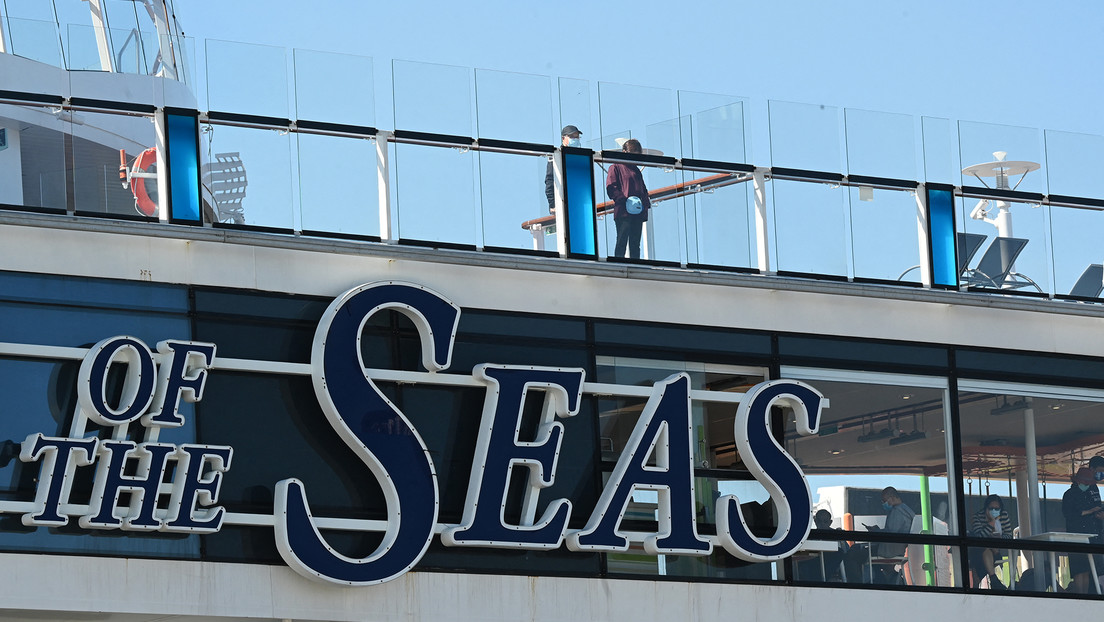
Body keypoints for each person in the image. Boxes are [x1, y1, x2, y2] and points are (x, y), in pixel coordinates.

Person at [857, 487, 916, 584]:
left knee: (856, 554)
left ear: (892, 498)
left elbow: (890, 533)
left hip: (889, 550)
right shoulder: (907, 510)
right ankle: (883, 579)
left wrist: (875, 531)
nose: (883, 504)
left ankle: (858, 583)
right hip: (898, 549)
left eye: (884, 501)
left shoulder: (897, 511)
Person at [605, 138, 651, 259]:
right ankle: (619, 263)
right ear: (625, 152)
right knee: (622, 239)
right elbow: (611, 187)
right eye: (633, 154)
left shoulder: (636, 170)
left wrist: (644, 204)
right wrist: (623, 200)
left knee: (635, 243)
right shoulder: (615, 167)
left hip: (637, 210)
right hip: (623, 211)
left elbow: (643, 189)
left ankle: (635, 265)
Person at [1062, 467, 1104, 593]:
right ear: (1078, 482)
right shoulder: (1069, 495)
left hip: (1092, 536)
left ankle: (1086, 595)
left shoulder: (1090, 494)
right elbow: (1069, 514)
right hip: (1077, 537)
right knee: (1079, 570)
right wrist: (1090, 511)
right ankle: (1080, 595)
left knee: (1090, 570)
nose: (1087, 486)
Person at [968, 494, 1014, 589]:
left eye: (997, 509)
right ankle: (993, 579)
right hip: (979, 550)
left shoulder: (1003, 515)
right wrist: (991, 523)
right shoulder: (978, 517)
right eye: (991, 508)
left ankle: (988, 579)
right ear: (986, 508)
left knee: (987, 551)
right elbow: (979, 537)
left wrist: (1000, 538)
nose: (994, 511)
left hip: (995, 550)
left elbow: (1009, 535)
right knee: (985, 549)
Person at [545, 125, 582, 213]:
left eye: (577, 137)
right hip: (561, 203)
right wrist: (553, 204)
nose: (575, 139)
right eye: (572, 136)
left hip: (577, 202)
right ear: (563, 138)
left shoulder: (581, 157)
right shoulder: (557, 156)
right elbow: (550, 181)